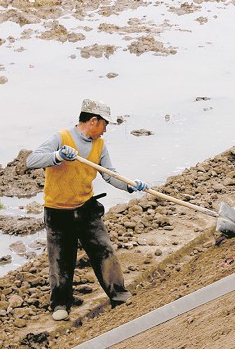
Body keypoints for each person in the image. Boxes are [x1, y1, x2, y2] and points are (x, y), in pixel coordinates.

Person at [26, 99, 149, 322]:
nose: (105, 130)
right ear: (93, 120)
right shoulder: (61, 138)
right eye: (104, 124)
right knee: (61, 259)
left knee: (104, 251)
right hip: (58, 211)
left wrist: (131, 184)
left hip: (86, 207)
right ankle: (61, 303)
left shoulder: (99, 145)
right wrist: (57, 156)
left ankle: (119, 295)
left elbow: (110, 174)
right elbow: (31, 160)